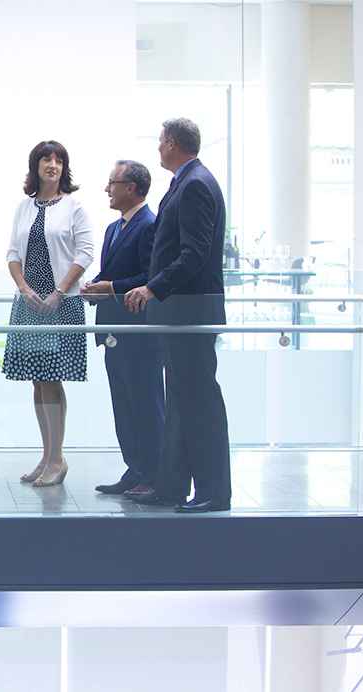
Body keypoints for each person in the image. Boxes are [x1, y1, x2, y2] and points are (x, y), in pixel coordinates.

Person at [123, 118, 232, 513]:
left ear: (171, 144)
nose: (157, 149)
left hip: (190, 308)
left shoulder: (197, 183)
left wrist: (153, 287)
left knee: (199, 401)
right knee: (182, 401)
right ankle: (171, 486)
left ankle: (214, 493)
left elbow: (194, 252)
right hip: (180, 310)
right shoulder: (187, 181)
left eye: (158, 142)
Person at [2, 140, 94, 487]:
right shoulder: (23, 208)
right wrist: (25, 288)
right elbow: (12, 252)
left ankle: (58, 458)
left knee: (53, 380)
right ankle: (47, 454)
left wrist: (58, 292)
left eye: (58, 160)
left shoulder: (74, 207)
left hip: (61, 303)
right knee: (38, 381)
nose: (52, 165)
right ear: (35, 166)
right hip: (28, 304)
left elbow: (85, 253)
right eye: (46, 159)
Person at [81, 160, 165, 497]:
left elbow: (149, 279)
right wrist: (96, 288)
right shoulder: (113, 228)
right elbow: (112, 276)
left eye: (112, 183)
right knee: (125, 406)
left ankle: (154, 476)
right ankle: (135, 469)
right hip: (114, 332)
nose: (107, 189)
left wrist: (110, 287)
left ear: (130, 187)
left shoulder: (149, 225)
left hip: (139, 334)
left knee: (146, 405)